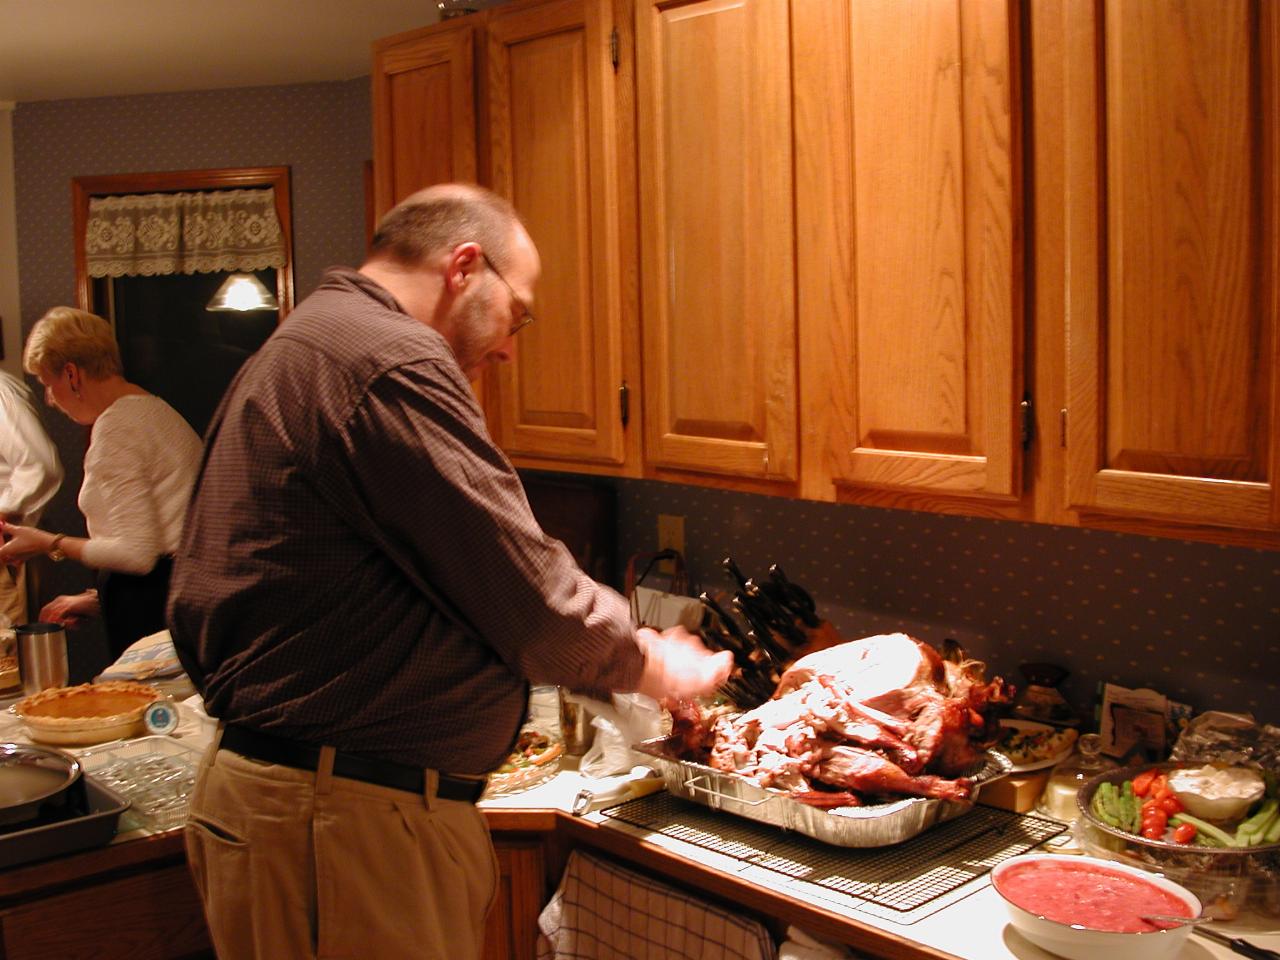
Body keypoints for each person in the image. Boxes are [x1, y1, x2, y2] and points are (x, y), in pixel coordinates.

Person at [166, 183, 732, 960]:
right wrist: (647, 658)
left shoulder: (313, 342)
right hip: (341, 829)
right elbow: (524, 591)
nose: (507, 347)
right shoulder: (385, 360)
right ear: (466, 266)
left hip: (309, 810)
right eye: (518, 315)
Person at [0, 307, 203, 658]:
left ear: (72, 374)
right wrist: (96, 600)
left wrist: (48, 543)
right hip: (177, 601)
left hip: (153, 615)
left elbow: (138, 556)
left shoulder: (118, 428)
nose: (50, 399)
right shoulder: (153, 410)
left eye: (49, 385)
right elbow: (163, 543)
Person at [0, 368, 63, 626]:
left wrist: (4, 513)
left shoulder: (2, 394)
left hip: (8, 553)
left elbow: (40, 466)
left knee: (11, 659)